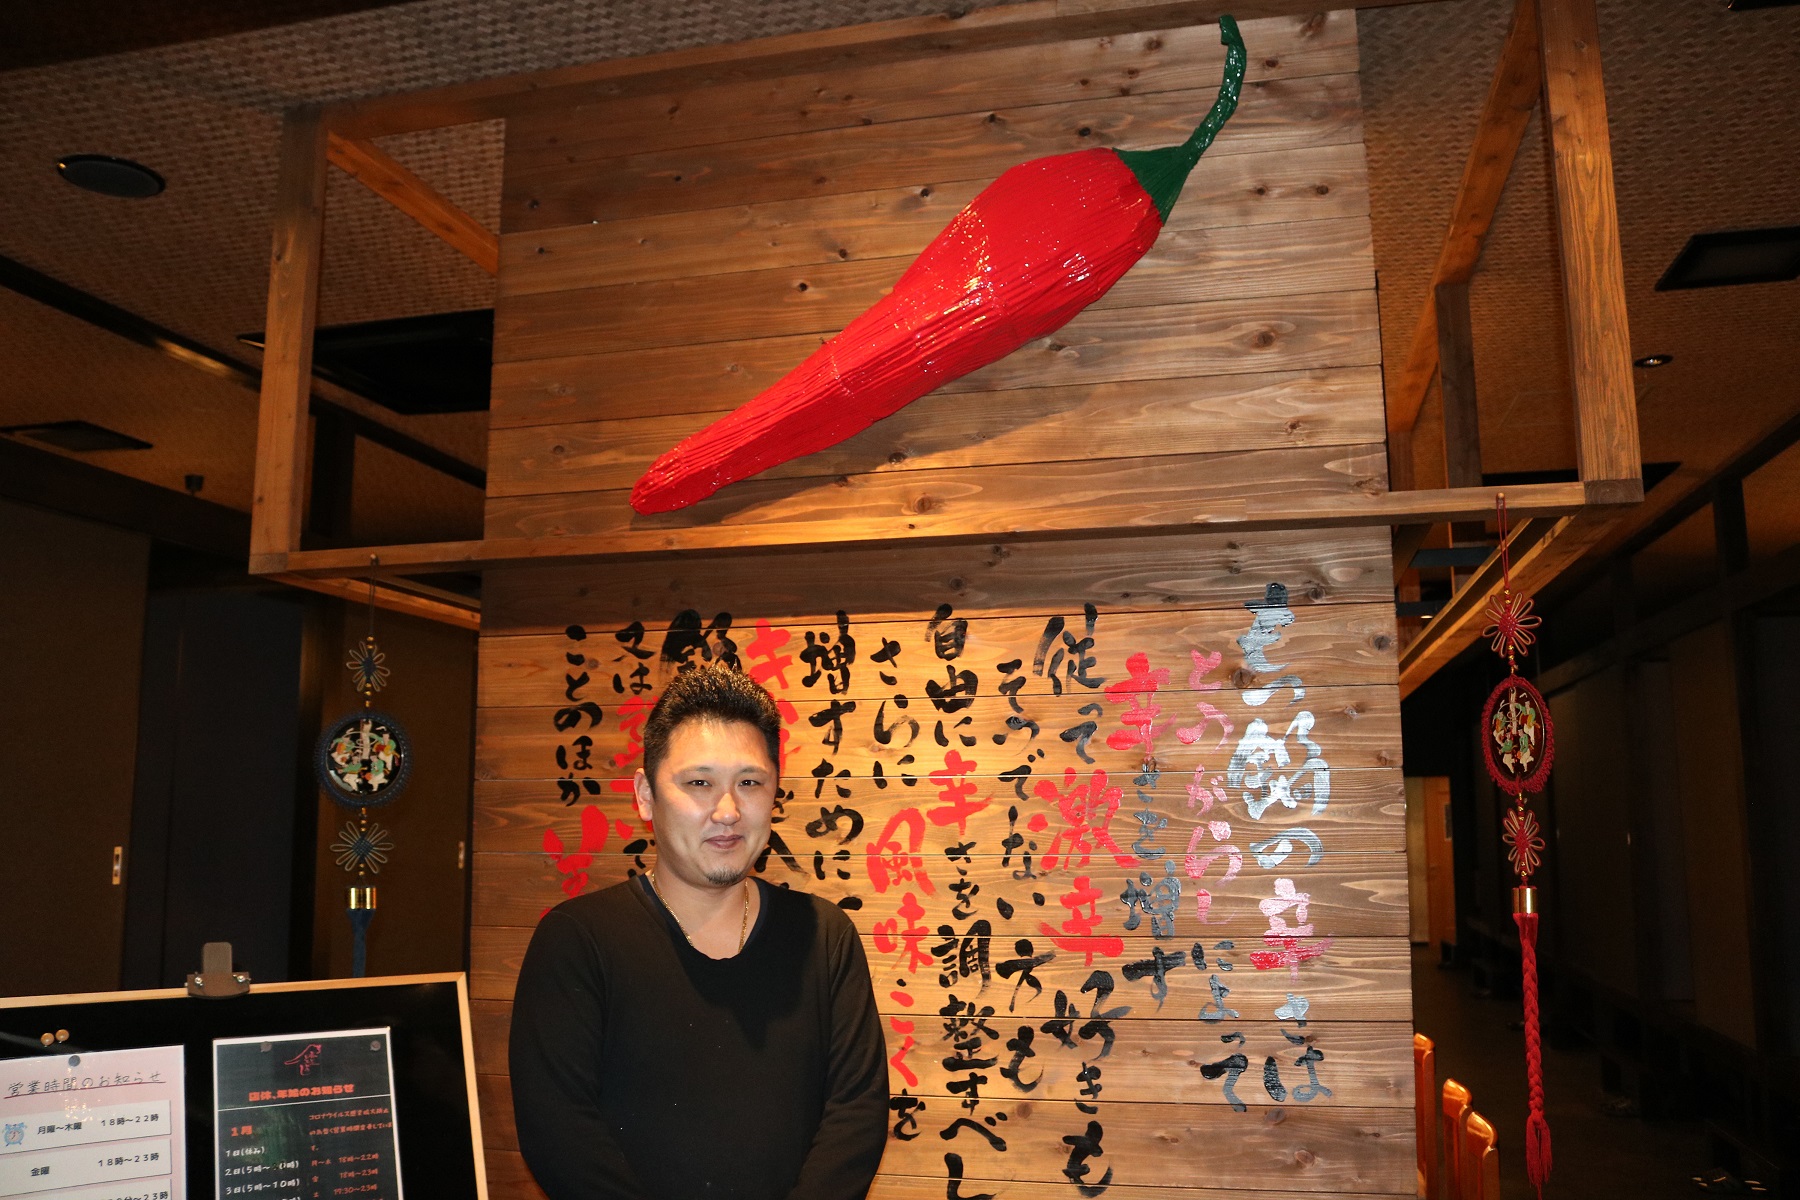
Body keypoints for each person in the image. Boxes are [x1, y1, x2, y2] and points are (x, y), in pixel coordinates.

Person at [509, 662, 889, 1199]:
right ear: (645, 795)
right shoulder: (578, 940)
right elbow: (559, 1132)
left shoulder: (824, 937)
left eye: (750, 783)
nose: (728, 811)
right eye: (699, 783)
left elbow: (857, 1113)